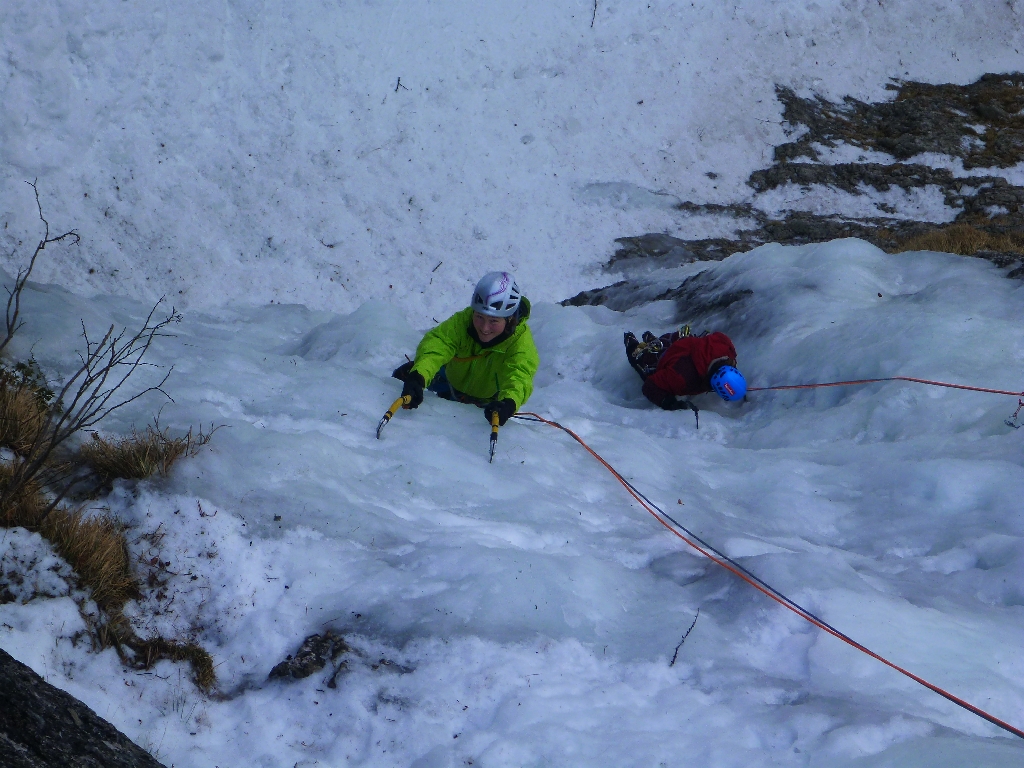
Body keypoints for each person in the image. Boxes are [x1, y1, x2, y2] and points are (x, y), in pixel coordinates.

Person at [391, 272, 540, 426]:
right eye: (479, 317)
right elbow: (440, 342)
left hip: (486, 398)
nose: (484, 328)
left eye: (493, 321)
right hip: (450, 378)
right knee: (406, 375)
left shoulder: (520, 343)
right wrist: (418, 375)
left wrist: (509, 402)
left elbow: (520, 375)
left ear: (510, 319)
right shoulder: (464, 320)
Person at [624, 327, 746, 409]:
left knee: (664, 345)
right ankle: (632, 343)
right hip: (664, 359)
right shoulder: (682, 378)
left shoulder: (727, 348)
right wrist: (670, 403)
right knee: (639, 362)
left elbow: (717, 335)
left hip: (679, 341)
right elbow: (649, 386)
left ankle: (653, 341)